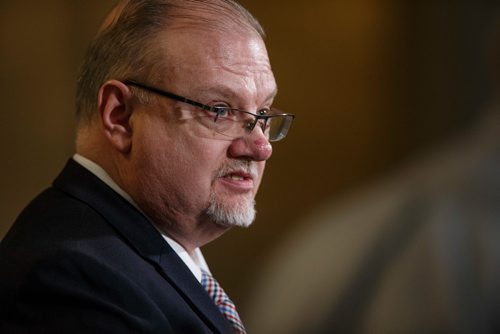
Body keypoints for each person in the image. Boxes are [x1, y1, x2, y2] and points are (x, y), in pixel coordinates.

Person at [0, 1, 294, 333]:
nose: (260, 147)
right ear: (120, 116)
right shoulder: (69, 279)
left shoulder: (136, 258)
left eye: (263, 114)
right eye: (220, 110)